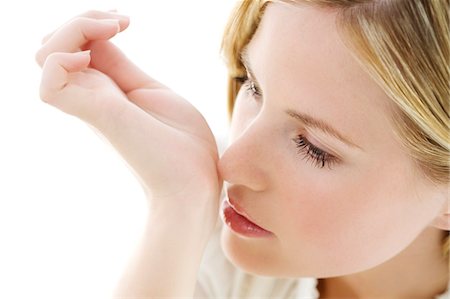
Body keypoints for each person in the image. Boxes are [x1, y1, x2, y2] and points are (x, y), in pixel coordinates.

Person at [35, 0, 449, 298]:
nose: (231, 163)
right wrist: (179, 204)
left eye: (314, 148)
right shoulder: (224, 233)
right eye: (253, 85)